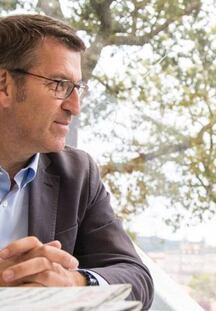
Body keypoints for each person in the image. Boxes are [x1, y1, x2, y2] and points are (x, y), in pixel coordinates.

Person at [0, 14, 153, 309]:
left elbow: (136, 278)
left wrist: (74, 283)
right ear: (4, 85)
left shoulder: (77, 173)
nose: (75, 107)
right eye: (59, 84)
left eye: (77, 88)